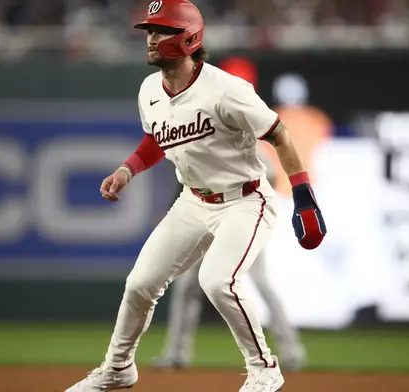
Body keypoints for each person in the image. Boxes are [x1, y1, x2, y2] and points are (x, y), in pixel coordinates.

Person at [65, 1, 326, 391]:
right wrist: (127, 169)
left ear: (188, 38)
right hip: (193, 201)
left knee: (218, 281)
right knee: (139, 283)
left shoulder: (227, 90)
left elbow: (281, 135)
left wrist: (304, 197)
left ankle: (265, 369)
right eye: (149, 31)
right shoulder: (150, 89)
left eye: (161, 31)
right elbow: (158, 137)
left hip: (245, 199)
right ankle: (118, 368)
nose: (151, 38)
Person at [154, 151, 307, 372]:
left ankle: (292, 351)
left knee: (262, 284)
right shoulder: (201, 143)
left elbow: (271, 178)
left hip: (243, 223)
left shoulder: (248, 146)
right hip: (205, 220)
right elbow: (186, 184)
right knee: (187, 286)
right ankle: (177, 353)